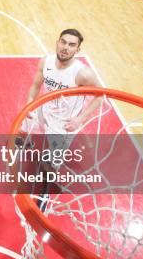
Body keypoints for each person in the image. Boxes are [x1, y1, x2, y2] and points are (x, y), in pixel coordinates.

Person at [22, 29, 102, 210]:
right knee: (26, 126)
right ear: (57, 42)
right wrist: (29, 104)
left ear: (78, 50)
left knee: (52, 162)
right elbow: (35, 85)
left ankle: (45, 193)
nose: (66, 48)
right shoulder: (46, 61)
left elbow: (100, 97)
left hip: (64, 123)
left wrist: (80, 120)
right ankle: (28, 143)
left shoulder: (83, 74)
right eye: (63, 42)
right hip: (45, 109)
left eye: (72, 45)